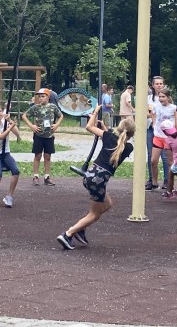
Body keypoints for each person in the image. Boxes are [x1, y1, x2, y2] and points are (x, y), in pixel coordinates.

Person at [56, 107, 135, 250]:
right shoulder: (128, 147)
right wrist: (104, 127)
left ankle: (80, 228)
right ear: (132, 133)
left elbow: (89, 127)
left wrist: (94, 113)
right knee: (95, 214)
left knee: (108, 204)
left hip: (90, 176)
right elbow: (115, 141)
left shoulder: (108, 137)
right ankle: (68, 234)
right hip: (99, 181)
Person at [23, 88, 62, 186]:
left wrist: (57, 125)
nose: (40, 98)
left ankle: (47, 177)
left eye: (43, 96)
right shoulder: (35, 107)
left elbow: (61, 116)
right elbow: (24, 116)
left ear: (48, 97)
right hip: (38, 135)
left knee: (47, 156)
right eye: (39, 96)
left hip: (49, 136)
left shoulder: (53, 107)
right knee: (38, 155)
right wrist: (31, 126)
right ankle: (35, 176)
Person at [0, 103, 21, 207]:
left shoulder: (5, 121)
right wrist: (9, 128)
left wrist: (9, 121)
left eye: (0, 111)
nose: (0, 113)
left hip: (6, 154)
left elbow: (17, 133)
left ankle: (9, 196)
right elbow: (1, 136)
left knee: (16, 171)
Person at [149, 89, 177, 190]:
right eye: (160, 97)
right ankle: (154, 182)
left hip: (168, 138)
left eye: (163, 97)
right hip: (158, 136)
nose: (161, 98)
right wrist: (154, 122)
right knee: (153, 161)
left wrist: (176, 126)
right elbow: (152, 113)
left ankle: (170, 184)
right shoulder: (156, 106)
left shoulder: (174, 108)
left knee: (170, 162)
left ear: (168, 98)